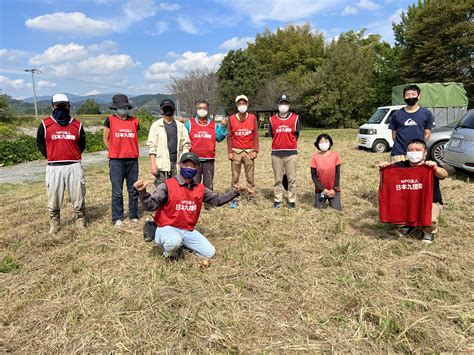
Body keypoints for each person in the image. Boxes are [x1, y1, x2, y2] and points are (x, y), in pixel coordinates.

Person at [134, 152, 244, 258]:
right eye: (186, 165)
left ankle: (181, 245)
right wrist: (142, 192)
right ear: (179, 165)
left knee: (210, 252)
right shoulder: (167, 186)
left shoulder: (200, 189)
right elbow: (151, 206)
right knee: (173, 242)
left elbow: (217, 200)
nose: (189, 168)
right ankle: (168, 254)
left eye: (193, 166)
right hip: (166, 227)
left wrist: (235, 192)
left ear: (197, 168)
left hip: (187, 230)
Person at [379, 139, 448, 243]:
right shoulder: (402, 165)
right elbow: (390, 172)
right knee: (401, 206)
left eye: (417, 150)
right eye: (411, 150)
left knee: (430, 219)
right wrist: (385, 167)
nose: (414, 152)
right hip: (410, 200)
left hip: (430, 201)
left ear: (425, 152)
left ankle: (429, 232)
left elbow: (444, 175)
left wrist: (435, 169)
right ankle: (410, 224)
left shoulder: (430, 165)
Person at [36, 94, 86, 234]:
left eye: (64, 105)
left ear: (69, 106)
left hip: (74, 165)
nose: (61, 108)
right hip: (54, 167)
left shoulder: (77, 124)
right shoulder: (45, 124)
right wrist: (52, 155)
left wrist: (71, 154)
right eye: (58, 106)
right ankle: (54, 223)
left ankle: (80, 220)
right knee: (54, 196)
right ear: (52, 107)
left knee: (78, 194)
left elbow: (82, 144)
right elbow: (40, 143)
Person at [103, 94, 140, 228]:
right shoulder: (109, 120)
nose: (123, 109)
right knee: (117, 191)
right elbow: (105, 139)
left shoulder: (135, 121)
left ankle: (133, 215)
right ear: (115, 108)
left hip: (132, 160)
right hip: (116, 161)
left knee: (133, 189)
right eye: (120, 107)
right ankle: (117, 217)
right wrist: (113, 151)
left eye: (124, 107)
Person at [185, 100, 228, 190]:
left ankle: (208, 203)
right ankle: (195, 203)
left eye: (204, 108)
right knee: (194, 184)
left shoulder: (213, 124)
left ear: (208, 109)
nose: (202, 110)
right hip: (193, 161)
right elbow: (183, 139)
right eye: (200, 108)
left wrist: (223, 127)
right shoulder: (189, 124)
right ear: (196, 109)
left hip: (209, 160)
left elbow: (219, 138)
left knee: (208, 186)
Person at [147, 99, 190, 186]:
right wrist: (153, 165)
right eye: (165, 108)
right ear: (161, 110)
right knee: (162, 190)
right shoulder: (156, 126)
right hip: (162, 164)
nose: (168, 110)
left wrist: (184, 162)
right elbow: (152, 147)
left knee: (178, 188)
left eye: (169, 108)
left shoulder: (181, 126)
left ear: (174, 109)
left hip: (177, 163)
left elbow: (186, 144)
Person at [268, 94, 301, 208]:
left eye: (285, 103)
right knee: (278, 179)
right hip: (277, 153)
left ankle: (291, 200)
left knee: (291, 179)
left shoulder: (295, 118)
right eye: (281, 103)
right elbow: (273, 135)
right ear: (278, 105)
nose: (283, 105)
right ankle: (278, 199)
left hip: (291, 153)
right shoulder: (272, 119)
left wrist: (289, 144)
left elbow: (296, 134)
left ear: (289, 105)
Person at [227, 95, 259, 208]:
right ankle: (234, 197)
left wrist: (256, 150)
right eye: (239, 103)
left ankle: (251, 196)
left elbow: (255, 134)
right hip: (236, 151)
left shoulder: (252, 117)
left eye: (244, 103)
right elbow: (229, 136)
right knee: (235, 176)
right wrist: (230, 151)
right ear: (236, 105)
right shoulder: (231, 118)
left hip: (249, 151)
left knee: (250, 176)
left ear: (247, 104)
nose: (242, 105)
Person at [389, 84, 434, 163]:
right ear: (404, 97)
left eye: (413, 94)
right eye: (407, 95)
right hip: (399, 153)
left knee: (416, 175)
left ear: (419, 96)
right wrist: (400, 146)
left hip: (417, 153)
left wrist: (418, 147)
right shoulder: (396, 114)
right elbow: (394, 135)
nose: (410, 97)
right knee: (398, 174)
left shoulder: (426, 113)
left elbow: (427, 133)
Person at [310, 133, 342, 210]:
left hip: (333, 189)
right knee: (318, 209)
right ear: (317, 144)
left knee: (336, 210)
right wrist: (323, 189)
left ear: (330, 142)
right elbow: (314, 176)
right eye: (321, 142)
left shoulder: (335, 156)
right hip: (320, 190)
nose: (323, 143)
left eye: (326, 141)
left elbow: (337, 174)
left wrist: (334, 189)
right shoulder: (315, 157)